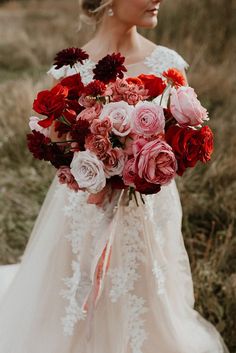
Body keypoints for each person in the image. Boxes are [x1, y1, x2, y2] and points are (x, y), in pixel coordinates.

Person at [0, 0, 230, 352]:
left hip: (148, 207)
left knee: (145, 289)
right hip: (84, 205)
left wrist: (148, 164)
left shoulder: (167, 65)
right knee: (73, 288)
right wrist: (88, 158)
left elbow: (182, 143)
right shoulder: (71, 71)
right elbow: (57, 146)